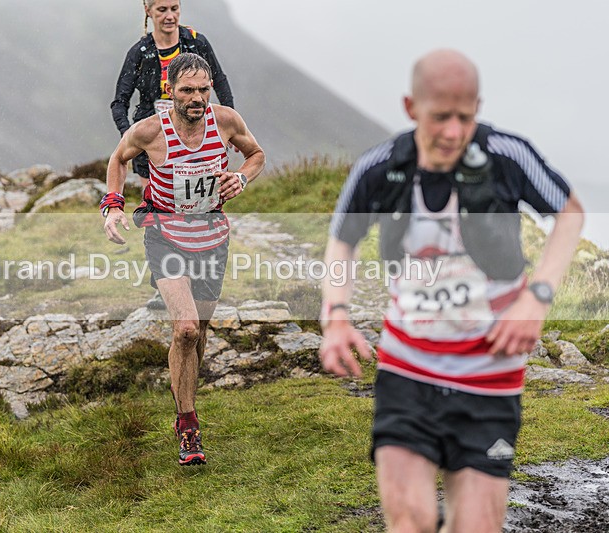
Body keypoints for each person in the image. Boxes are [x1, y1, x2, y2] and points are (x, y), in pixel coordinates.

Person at [320, 49, 583, 532]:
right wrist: (335, 316)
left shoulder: (506, 155)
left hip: (489, 374)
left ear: (478, 107)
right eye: (440, 117)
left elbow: (570, 215)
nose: (453, 132)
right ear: (410, 107)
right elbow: (342, 240)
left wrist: (537, 298)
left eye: (466, 116)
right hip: (408, 369)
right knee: (411, 521)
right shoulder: (381, 165)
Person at [103, 53, 264, 466]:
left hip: (212, 239)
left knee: (199, 333)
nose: (197, 98)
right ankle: (188, 426)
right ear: (170, 90)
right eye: (188, 90)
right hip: (165, 238)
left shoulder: (226, 121)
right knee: (187, 328)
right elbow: (118, 158)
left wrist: (240, 177)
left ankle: (184, 398)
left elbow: (256, 154)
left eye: (203, 90)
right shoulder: (150, 130)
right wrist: (113, 206)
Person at [111, 0, 235, 310]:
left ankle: (196, 276)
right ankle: (167, 283)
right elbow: (119, 101)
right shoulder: (140, 52)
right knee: (160, 209)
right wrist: (132, 137)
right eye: (162, 10)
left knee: (195, 207)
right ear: (148, 11)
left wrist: (228, 124)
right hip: (155, 144)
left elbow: (220, 81)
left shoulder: (196, 42)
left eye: (174, 8)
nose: (170, 16)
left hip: (197, 137)